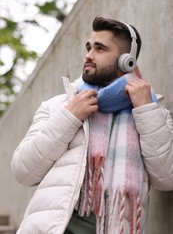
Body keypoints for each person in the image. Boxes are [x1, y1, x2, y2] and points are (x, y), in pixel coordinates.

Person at [11, 17, 173, 234]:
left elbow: (167, 179)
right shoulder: (59, 106)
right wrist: (69, 116)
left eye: (100, 48)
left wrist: (145, 109)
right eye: (88, 47)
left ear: (127, 60)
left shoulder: (151, 112)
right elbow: (23, 171)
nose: (88, 55)